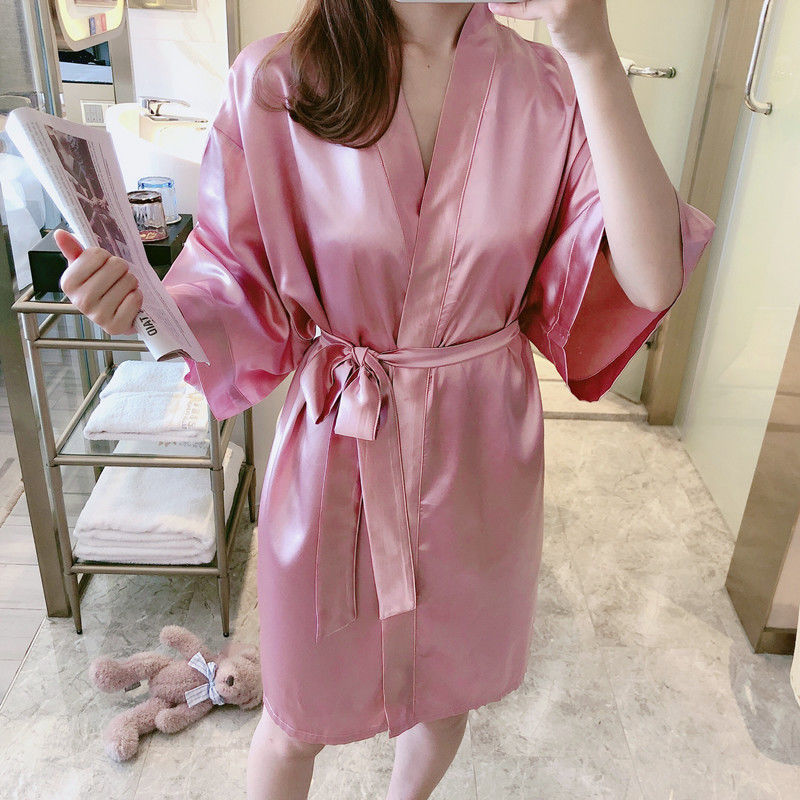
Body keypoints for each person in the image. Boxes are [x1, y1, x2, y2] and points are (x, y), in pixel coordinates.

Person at [55, 2, 716, 798]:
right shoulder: (279, 81)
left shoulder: (548, 86)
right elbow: (234, 280)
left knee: (447, 693)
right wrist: (146, 307)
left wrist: (593, 50)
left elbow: (651, 277)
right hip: (339, 446)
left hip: (480, 459)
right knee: (297, 716)